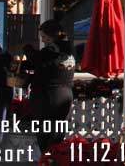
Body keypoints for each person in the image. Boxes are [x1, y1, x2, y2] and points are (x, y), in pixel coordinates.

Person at [29, 20, 76, 154]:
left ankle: (48, 159)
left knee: (46, 134)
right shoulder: (69, 48)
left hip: (49, 96)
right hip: (66, 93)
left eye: (44, 37)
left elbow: (37, 60)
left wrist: (28, 49)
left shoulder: (53, 49)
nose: (43, 40)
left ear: (51, 36)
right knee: (58, 133)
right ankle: (54, 159)